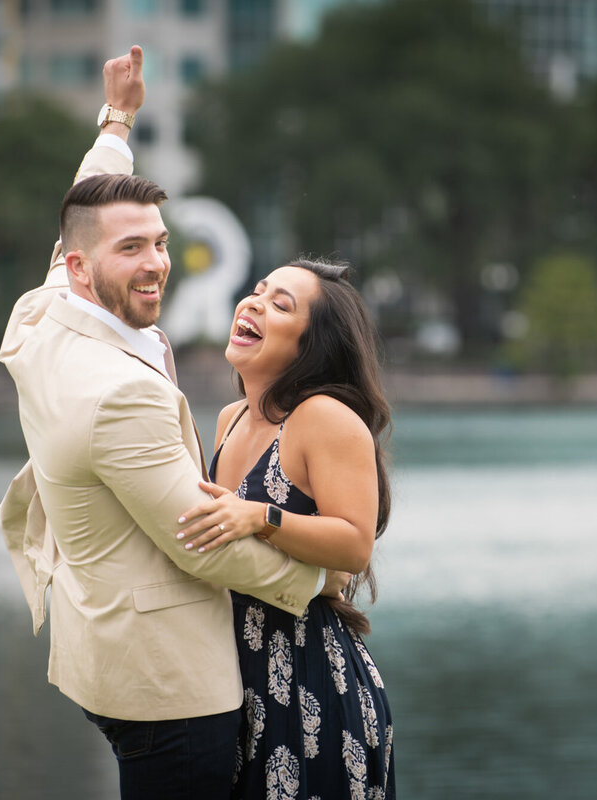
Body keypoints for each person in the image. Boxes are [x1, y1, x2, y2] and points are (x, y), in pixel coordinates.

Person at [0, 46, 348, 800]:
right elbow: (202, 546)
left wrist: (117, 119)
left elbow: (83, 209)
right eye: (132, 250)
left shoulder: (44, 314)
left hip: (102, 650)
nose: (156, 263)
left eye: (159, 242)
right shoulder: (119, 392)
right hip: (172, 693)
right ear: (85, 268)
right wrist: (321, 577)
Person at [175, 258, 396, 798]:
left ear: (311, 346)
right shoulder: (229, 419)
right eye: (256, 291)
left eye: (280, 304)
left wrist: (262, 516)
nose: (252, 304)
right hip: (228, 683)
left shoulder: (324, 417)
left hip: (307, 681)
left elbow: (354, 546)